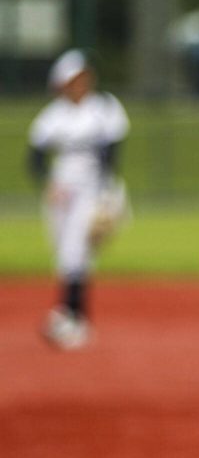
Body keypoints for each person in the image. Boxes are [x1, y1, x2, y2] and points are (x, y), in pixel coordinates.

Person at [27, 48, 130, 350]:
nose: (80, 83)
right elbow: (34, 156)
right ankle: (77, 320)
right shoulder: (53, 115)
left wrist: (108, 191)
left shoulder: (105, 107)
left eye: (83, 77)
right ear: (62, 83)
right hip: (62, 191)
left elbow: (112, 151)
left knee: (76, 251)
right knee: (65, 254)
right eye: (74, 79)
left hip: (92, 188)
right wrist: (47, 183)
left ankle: (69, 317)